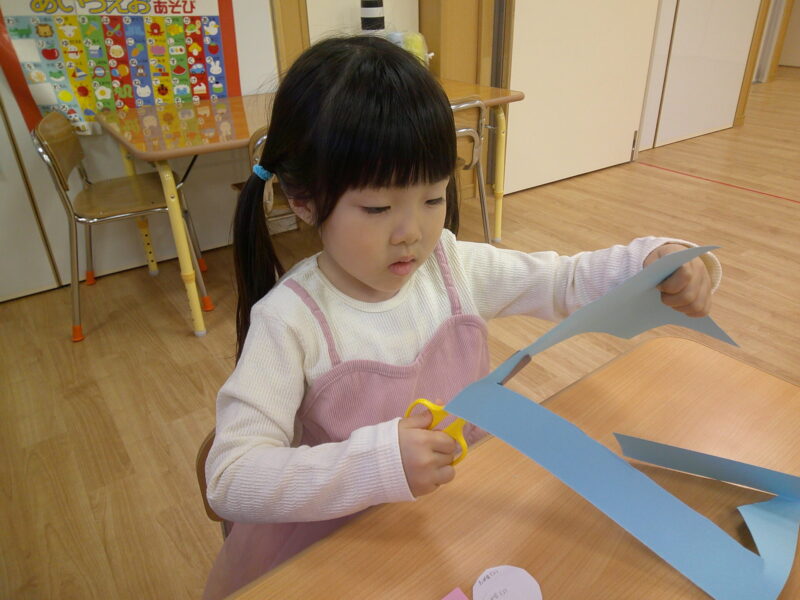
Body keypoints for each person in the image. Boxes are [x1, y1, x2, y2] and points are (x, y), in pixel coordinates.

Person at [202, 35, 720, 598]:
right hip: (345, 541)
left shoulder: (450, 268)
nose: (412, 233)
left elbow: (561, 280)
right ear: (302, 201)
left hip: (455, 508)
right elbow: (230, 477)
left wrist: (650, 264)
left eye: (433, 198)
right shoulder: (291, 321)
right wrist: (377, 463)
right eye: (377, 208)